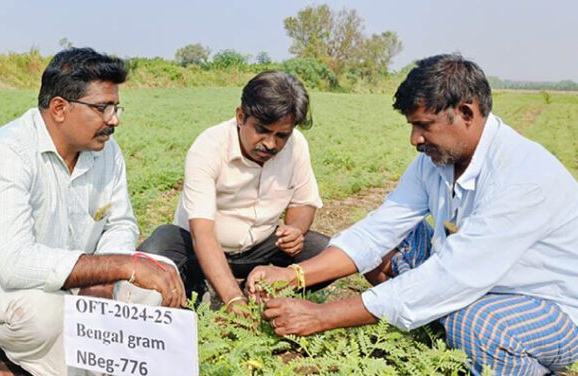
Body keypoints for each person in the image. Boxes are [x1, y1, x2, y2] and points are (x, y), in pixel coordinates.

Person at [246, 54, 578, 375]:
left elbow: (454, 276)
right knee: (390, 245)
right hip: (479, 283)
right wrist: (294, 275)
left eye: (423, 125)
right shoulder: (435, 163)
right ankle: (436, 323)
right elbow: (377, 232)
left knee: (478, 324)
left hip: (549, 307)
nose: (414, 139)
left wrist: (322, 316)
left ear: (466, 112)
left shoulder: (523, 176)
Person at [0, 47, 185, 376]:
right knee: (45, 314)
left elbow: (120, 224)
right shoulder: (8, 152)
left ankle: (42, 354)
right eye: (103, 108)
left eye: (116, 106)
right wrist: (118, 266)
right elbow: (14, 265)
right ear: (59, 108)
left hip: (73, 281)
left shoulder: (107, 152)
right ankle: (7, 348)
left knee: (159, 276)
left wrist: (104, 278)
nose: (115, 120)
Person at [138, 71, 331, 315]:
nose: (270, 144)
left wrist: (295, 230)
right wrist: (233, 300)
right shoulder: (209, 147)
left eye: (281, 135)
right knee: (155, 252)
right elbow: (203, 234)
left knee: (326, 254)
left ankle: (258, 290)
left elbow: (303, 202)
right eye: (262, 130)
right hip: (199, 249)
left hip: (260, 247)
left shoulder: (296, 146)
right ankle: (207, 287)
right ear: (240, 116)